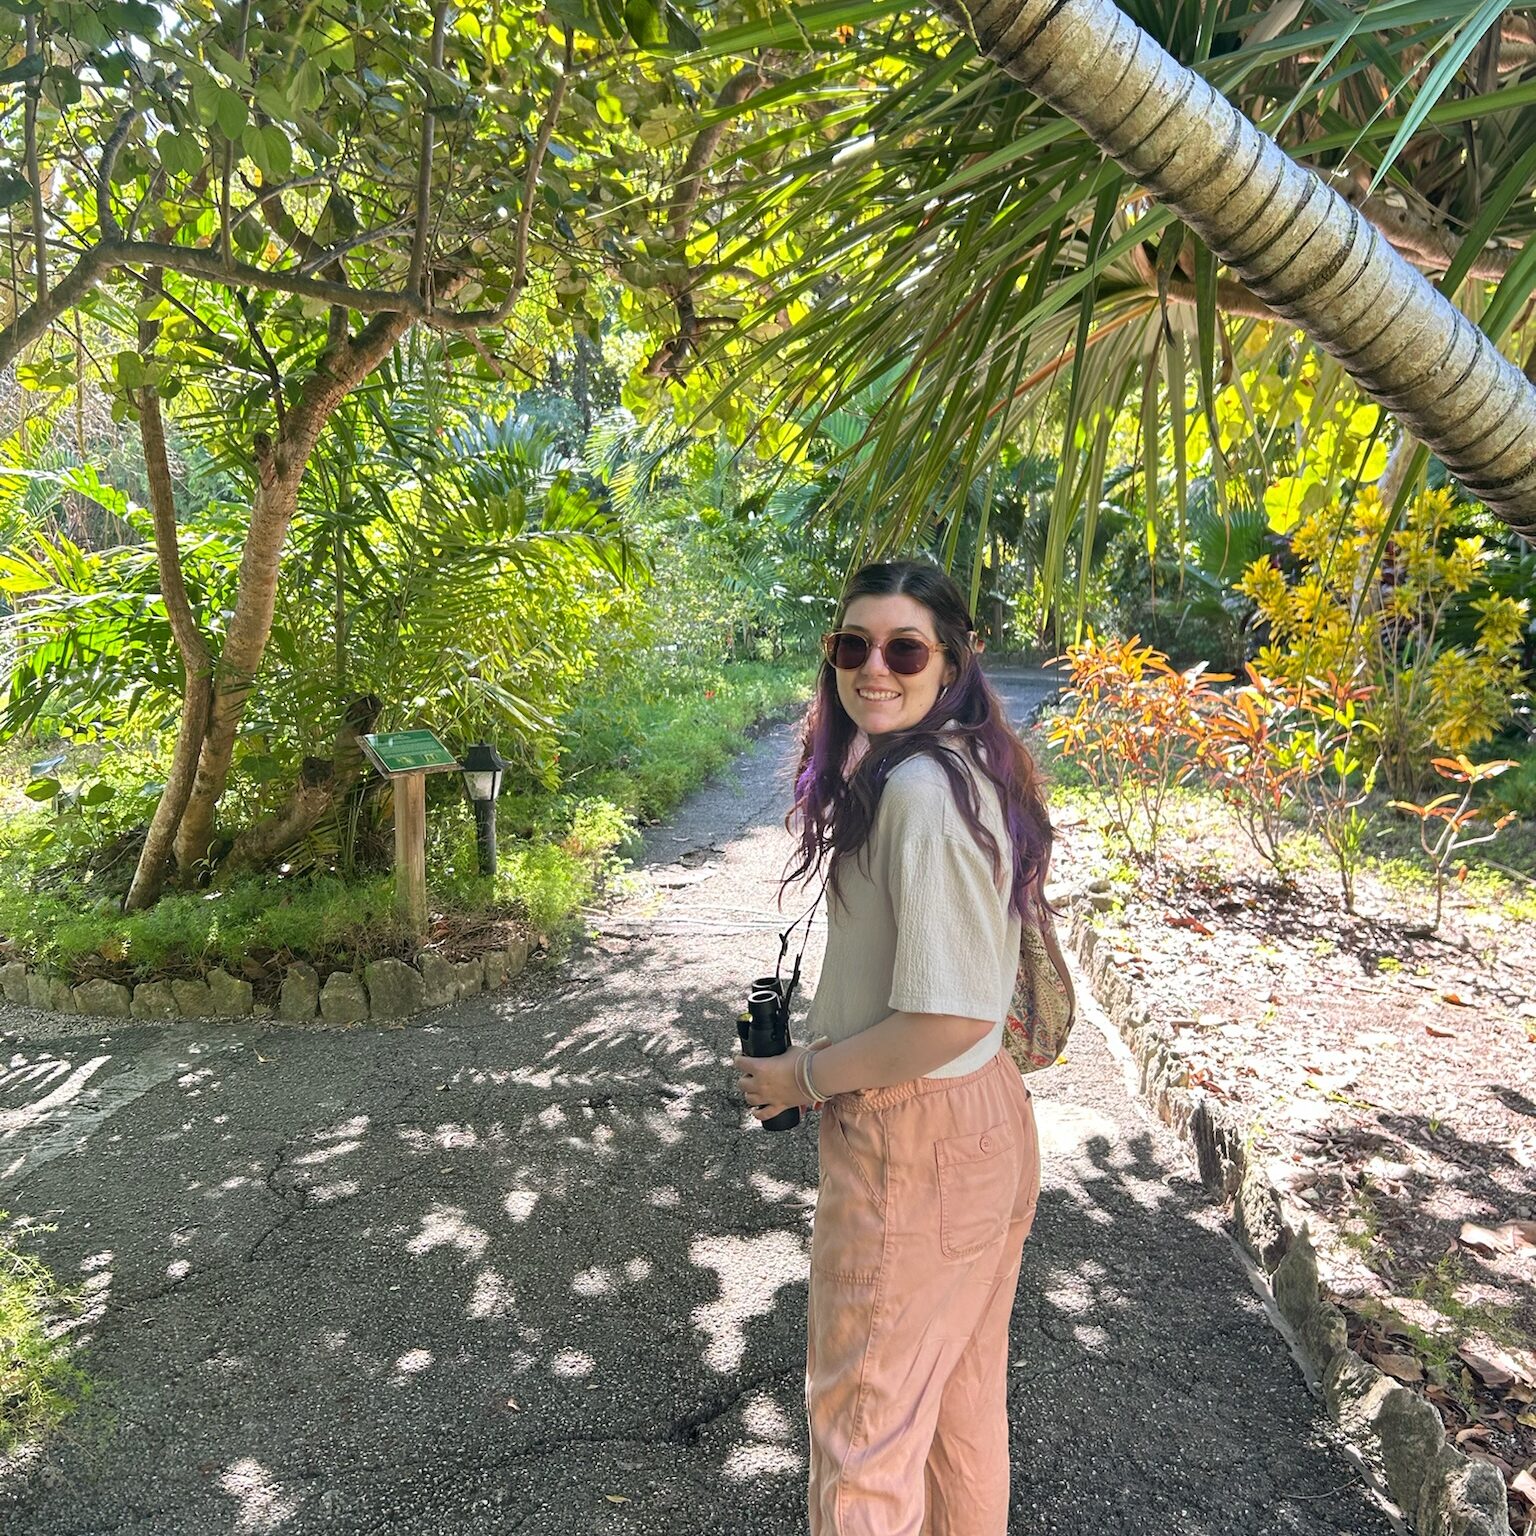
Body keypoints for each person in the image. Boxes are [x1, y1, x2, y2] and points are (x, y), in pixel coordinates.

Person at [733, 558, 1054, 1536]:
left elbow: (950, 1014)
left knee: (865, 1438)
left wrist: (805, 1074)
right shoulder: (962, 763)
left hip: (915, 1139)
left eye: (905, 648)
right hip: (980, 1124)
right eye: (853, 645)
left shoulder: (921, 785)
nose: (875, 668)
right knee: (958, 1410)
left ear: (953, 659)